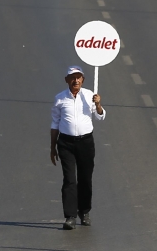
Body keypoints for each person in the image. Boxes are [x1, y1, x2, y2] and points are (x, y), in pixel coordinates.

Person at [50, 66, 105, 231]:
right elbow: (55, 123)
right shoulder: (60, 99)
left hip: (86, 143)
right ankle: (70, 216)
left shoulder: (89, 96)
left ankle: (84, 211)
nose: (76, 80)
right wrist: (52, 147)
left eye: (78, 77)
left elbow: (100, 116)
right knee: (69, 180)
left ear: (83, 80)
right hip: (66, 143)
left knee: (85, 179)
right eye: (72, 78)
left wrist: (99, 104)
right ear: (67, 80)